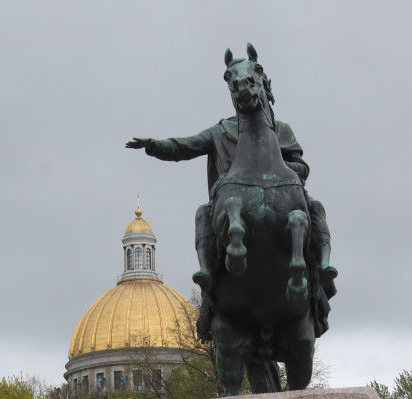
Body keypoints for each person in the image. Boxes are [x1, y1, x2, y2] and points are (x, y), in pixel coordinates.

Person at [126, 58, 334, 339]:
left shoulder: (280, 129)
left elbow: (301, 166)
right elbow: (183, 147)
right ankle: (208, 279)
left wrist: (283, 172)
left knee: (315, 209)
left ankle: (321, 269)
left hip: (281, 190)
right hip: (230, 196)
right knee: (203, 214)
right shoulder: (220, 131)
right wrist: (153, 146)